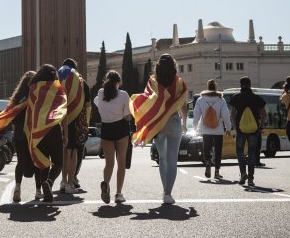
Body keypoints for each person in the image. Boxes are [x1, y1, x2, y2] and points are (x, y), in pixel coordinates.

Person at [130, 54, 188, 205]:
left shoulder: (153, 82)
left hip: (158, 124)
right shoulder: (179, 83)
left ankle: (165, 191)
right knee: (173, 159)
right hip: (174, 121)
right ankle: (168, 192)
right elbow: (183, 104)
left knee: (162, 159)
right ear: (174, 66)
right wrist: (184, 122)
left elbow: (148, 101)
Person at [27, 64, 68, 203]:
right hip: (54, 128)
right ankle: (49, 183)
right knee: (59, 163)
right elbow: (63, 112)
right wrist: (65, 134)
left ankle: (45, 191)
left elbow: (30, 111)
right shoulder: (58, 89)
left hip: (39, 131)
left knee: (43, 163)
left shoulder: (33, 89)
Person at [93, 70, 131, 204]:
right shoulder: (124, 95)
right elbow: (127, 115)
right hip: (121, 129)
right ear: (119, 82)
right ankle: (118, 193)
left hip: (106, 129)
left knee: (109, 163)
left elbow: (97, 102)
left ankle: (106, 184)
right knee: (121, 163)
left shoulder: (100, 93)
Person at [7, 71, 42, 202]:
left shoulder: (16, 99)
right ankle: (38, 191)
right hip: (34, 133)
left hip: (19, 134)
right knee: (37, 162)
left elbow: (12, 120)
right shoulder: (36, 97)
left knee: (20, 162)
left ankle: (17, 187)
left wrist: (15, 134)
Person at [58, 58, 90, 194]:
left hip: (60, 119)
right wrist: (86, 124)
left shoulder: (58, 77)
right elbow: (88, 105)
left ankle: (63, 181)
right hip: (75, 120)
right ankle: (70, 183)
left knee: (65, 152)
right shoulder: (80, 81)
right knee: (73, 152)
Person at [230, 76, 266, 187]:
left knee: (240, 151)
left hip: (241, 130)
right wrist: (261, 126)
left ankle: (243, 173)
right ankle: (250, 179)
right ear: (250, 84)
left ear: (240, 85)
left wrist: (235, 127)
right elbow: (264, 114)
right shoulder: (257, 98)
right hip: (254, 130)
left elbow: (232, 115)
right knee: (252, 153)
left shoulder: (236, 97)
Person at [192, 79, 231, 180]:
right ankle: (217, 172)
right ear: (216, 88)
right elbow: (226, 115)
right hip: (218, 129)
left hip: (205, 129)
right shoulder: (221, 100)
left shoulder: (201, 100)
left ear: (207, 87)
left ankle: (208, 163)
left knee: (207, 148)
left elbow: (196, 115)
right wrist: (228, 128)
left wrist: (195, 128)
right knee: (218, 150)